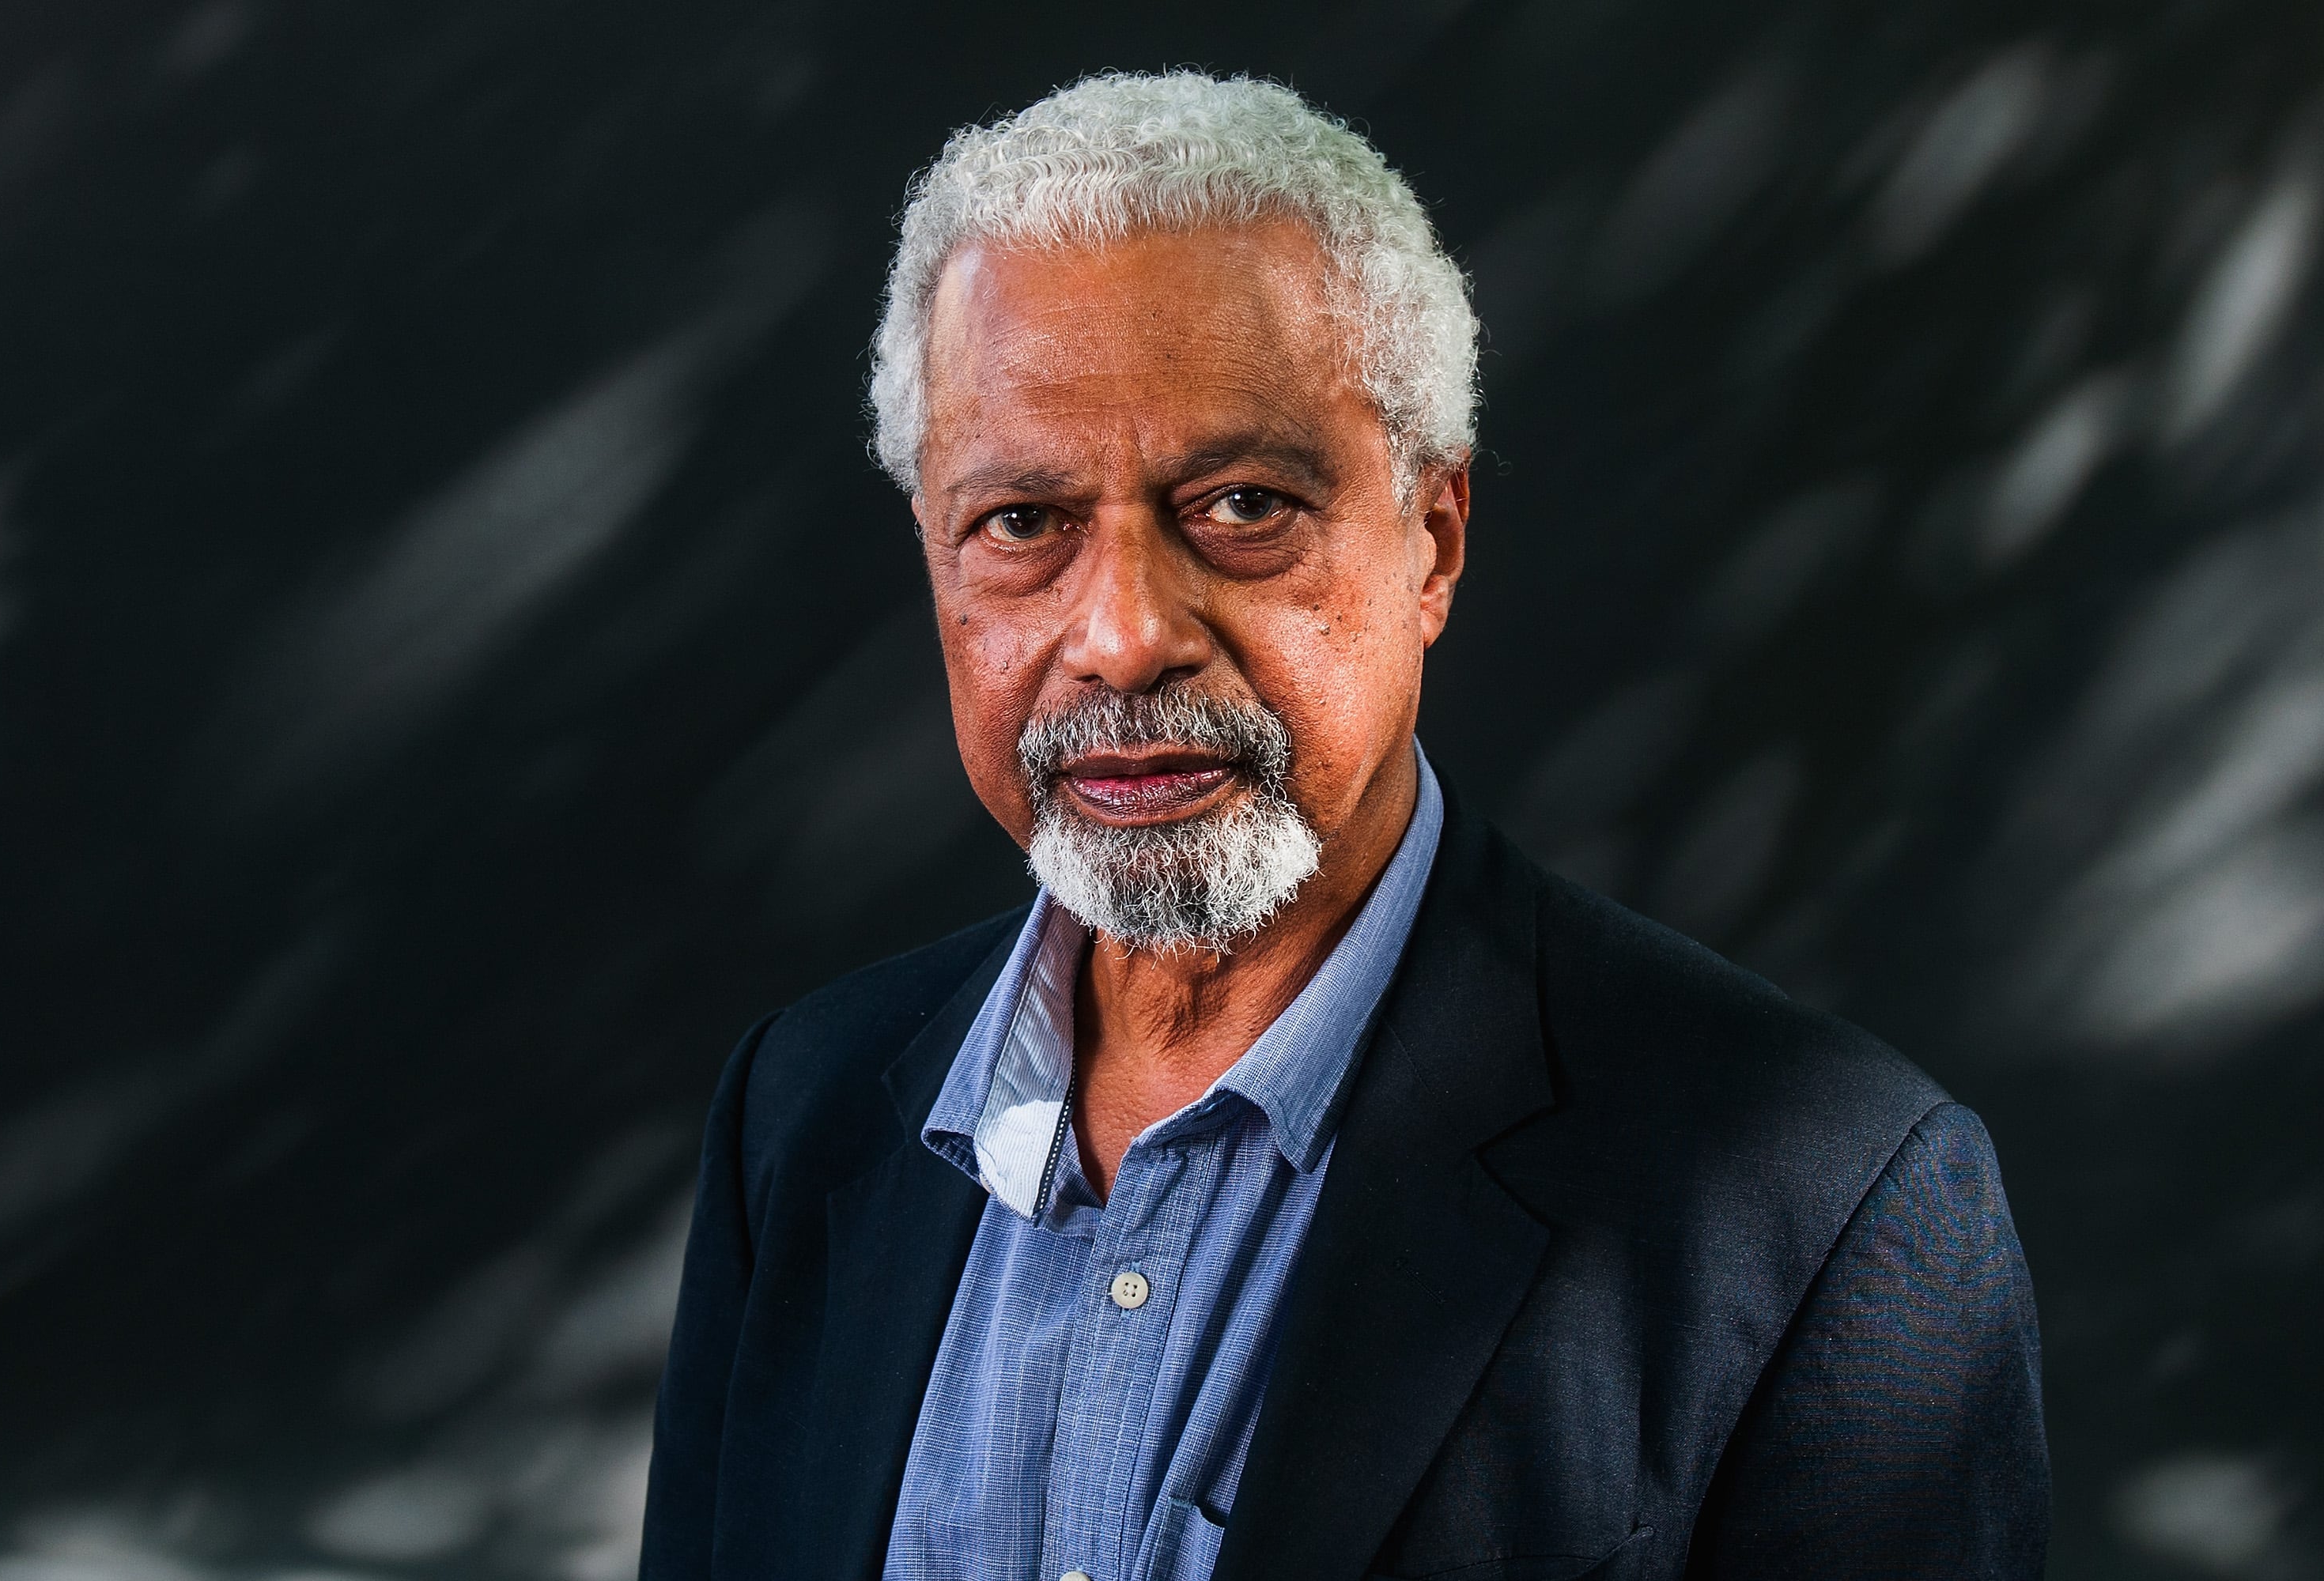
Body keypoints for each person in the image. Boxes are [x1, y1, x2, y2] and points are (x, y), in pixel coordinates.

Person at [641, 70, 2048, 1581]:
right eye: (1024, 525)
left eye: (1241, 504)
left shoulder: (1828, 1210)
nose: (1120, 635)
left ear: (1432, 544)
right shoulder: (804, 1111)